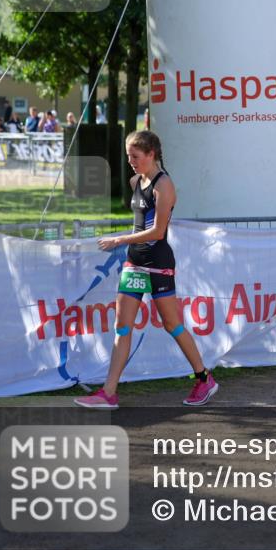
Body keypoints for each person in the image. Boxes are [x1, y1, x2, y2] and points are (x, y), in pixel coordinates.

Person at [75, 131, 218, 409]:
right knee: (122, 325)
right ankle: (109, 393)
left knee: (171, 324)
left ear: (151, 154)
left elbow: (157, 231)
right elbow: (140, 224)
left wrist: (119, 240)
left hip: (158, 264)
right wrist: (127, 245)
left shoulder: (164, 186)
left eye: (135, 156)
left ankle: (204, 378)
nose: (130, 161)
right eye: (128, 155)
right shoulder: (135, 181)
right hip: (134, 263)